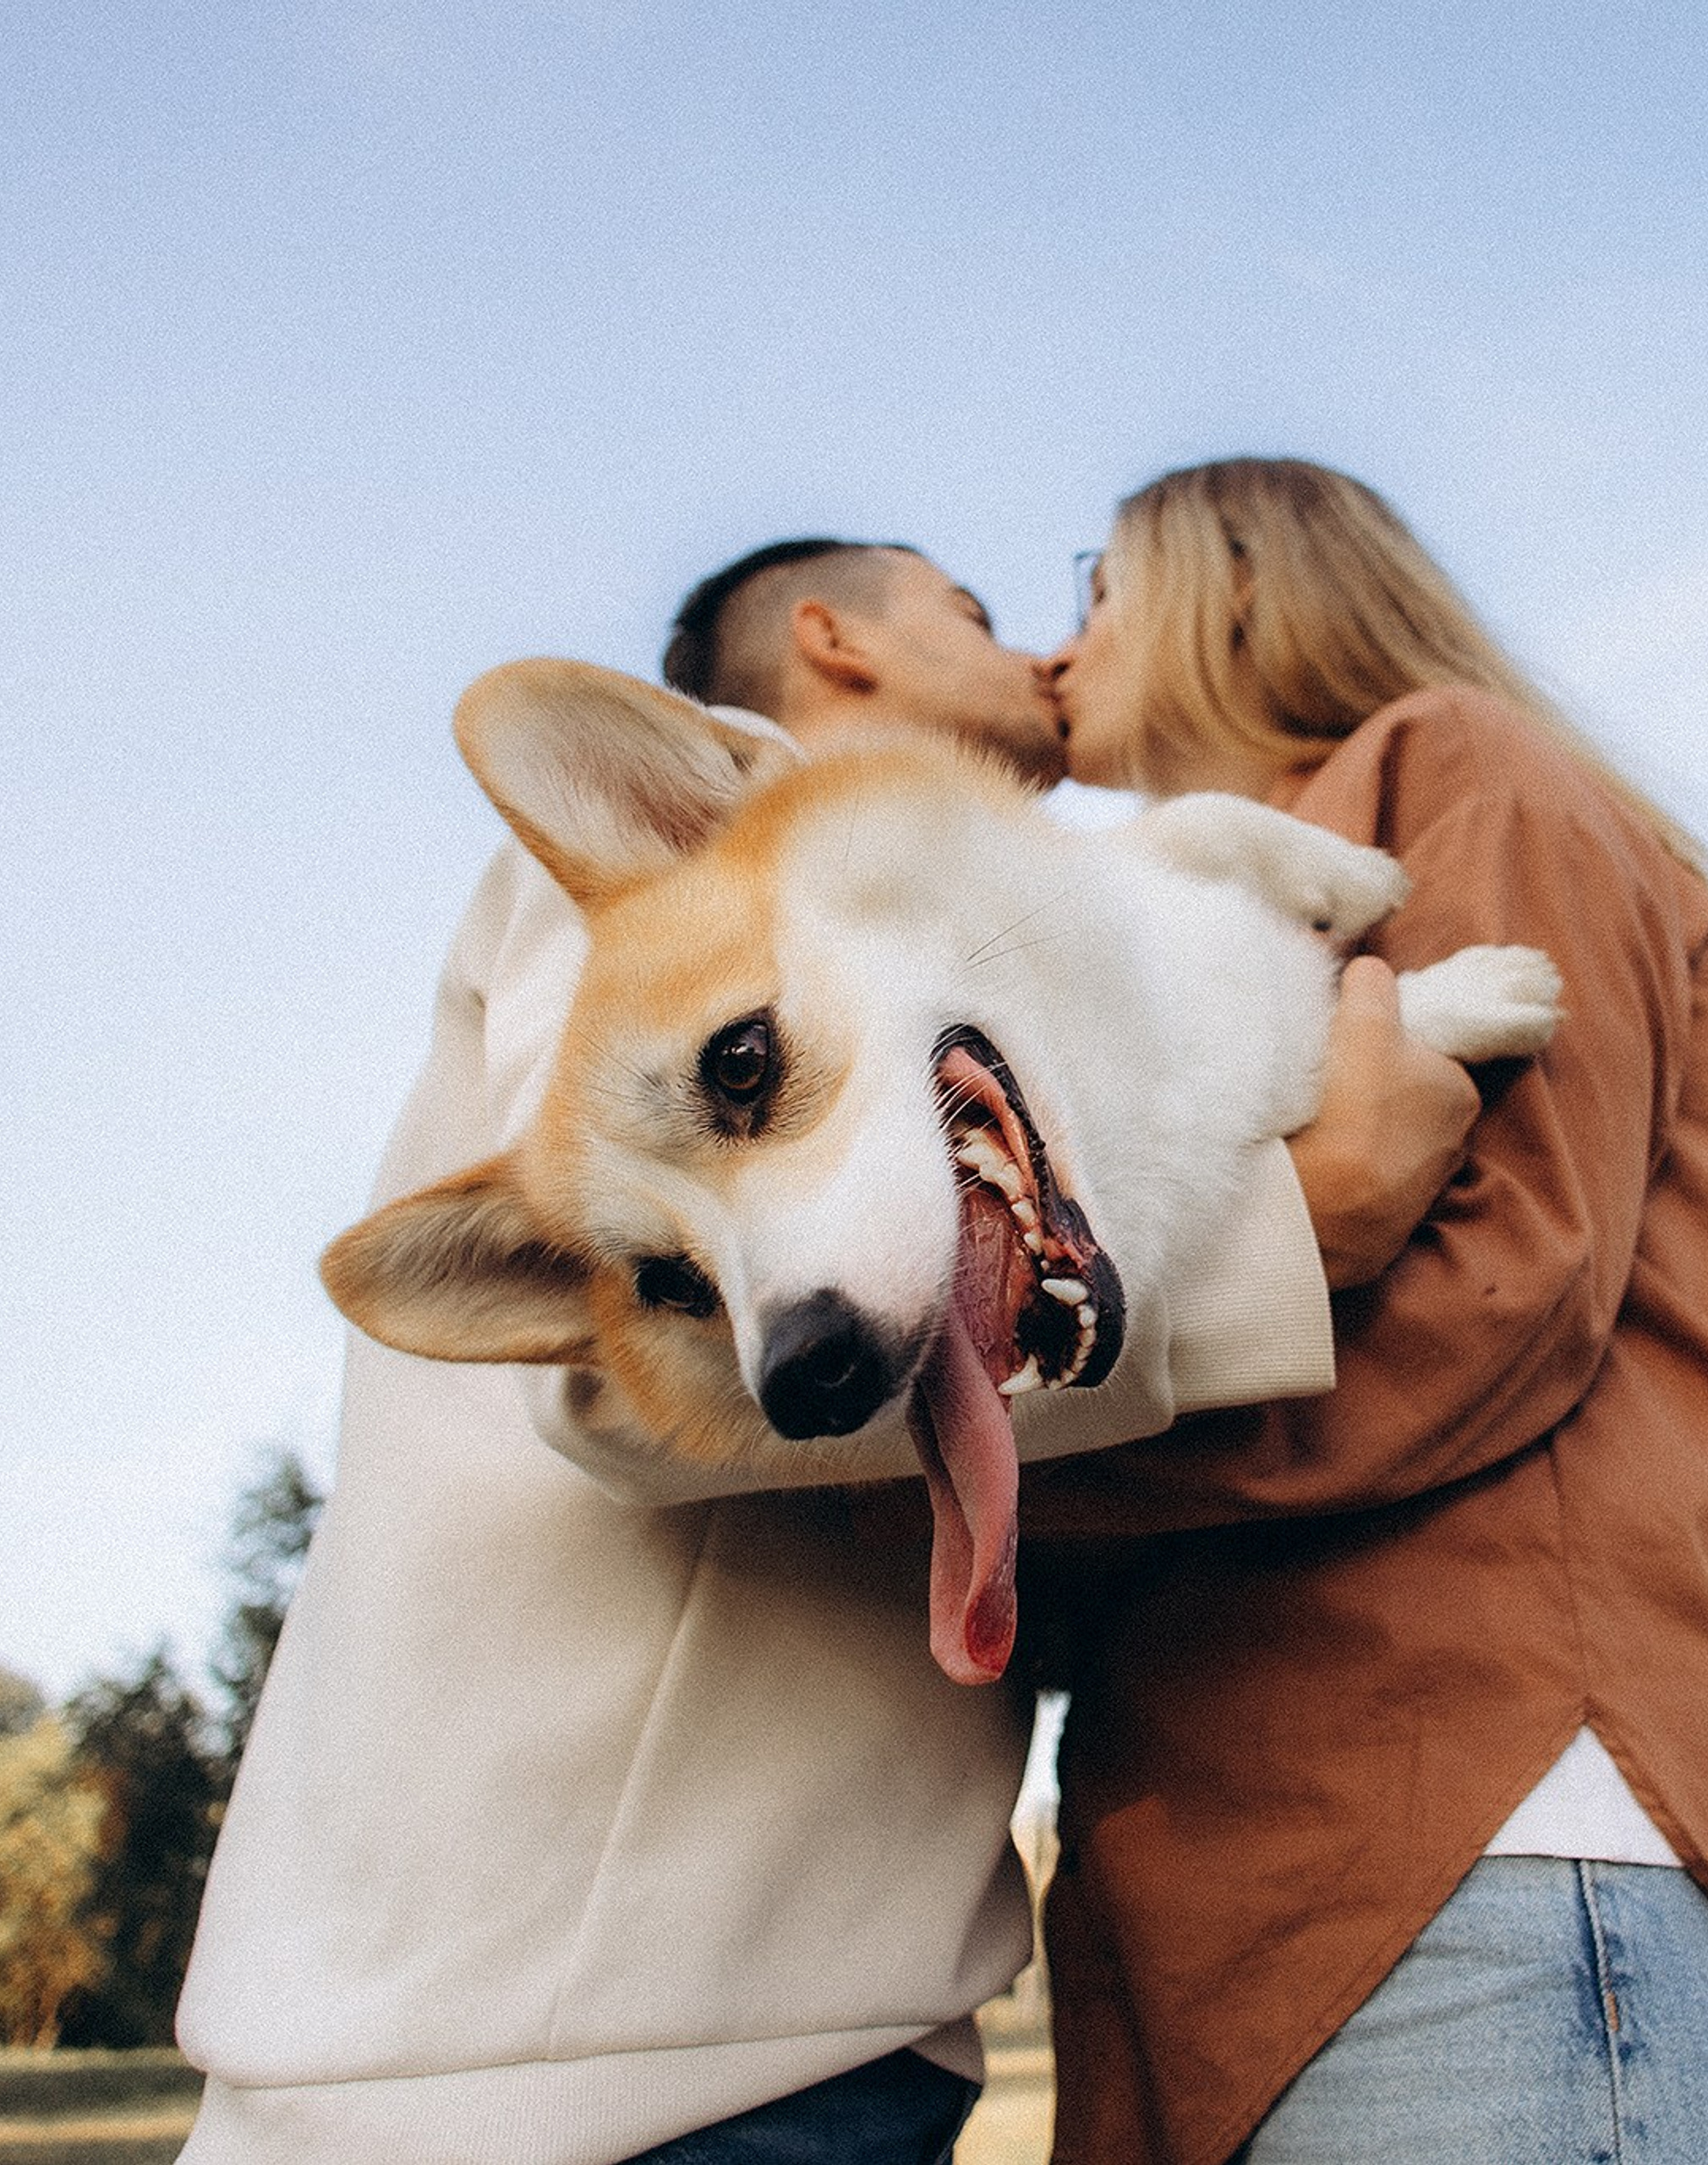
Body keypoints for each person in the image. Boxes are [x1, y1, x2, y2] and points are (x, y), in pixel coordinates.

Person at [176, 534, 1470, 2165]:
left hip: (739, 2026)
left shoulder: (962, 982)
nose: (1046, 658)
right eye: (979, 615)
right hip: (575, 2059)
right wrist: (1302, 1235)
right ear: (833, 643)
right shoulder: (712, 849)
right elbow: (604, 1396)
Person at [1019, 458, 1708, 2165]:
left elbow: (1490, 1296)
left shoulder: (1449, 764)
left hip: (1505, 1843)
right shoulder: (1160, 925)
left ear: (1239, 579)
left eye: (1098, 586)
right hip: (1254, 1898)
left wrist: (959, 1466)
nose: (1055, 648)